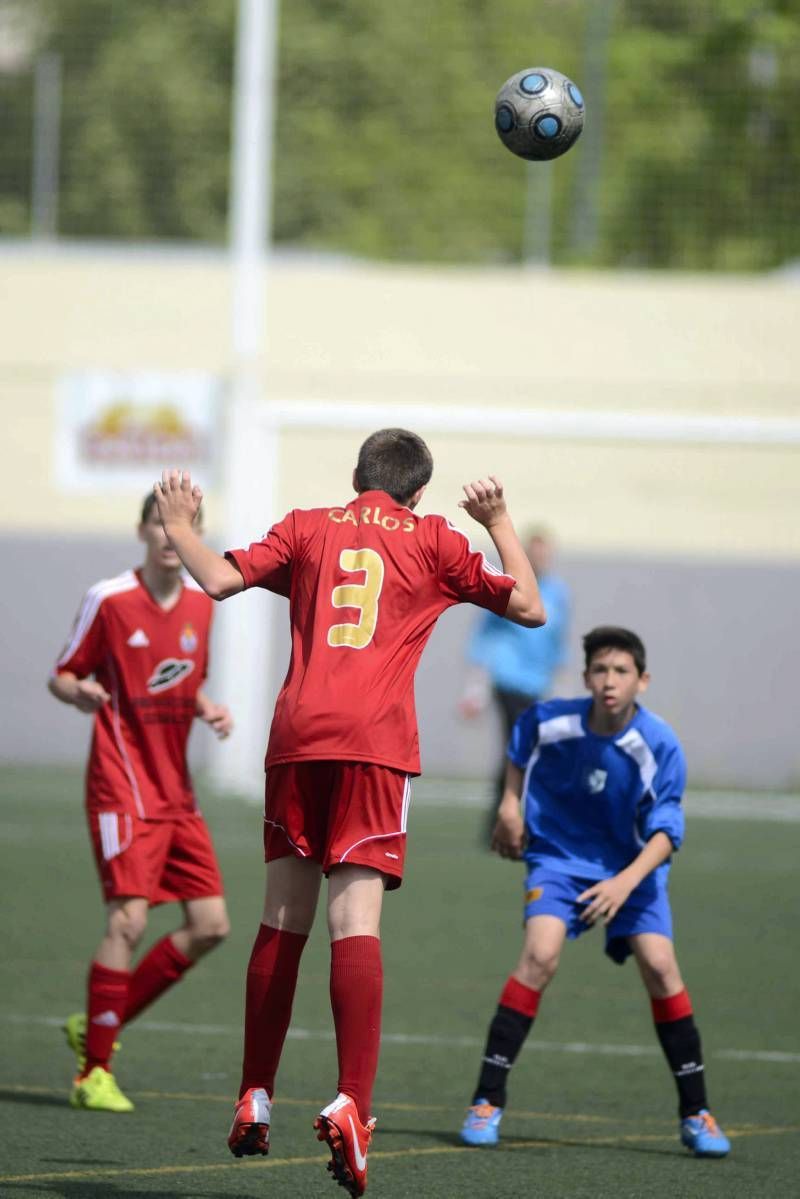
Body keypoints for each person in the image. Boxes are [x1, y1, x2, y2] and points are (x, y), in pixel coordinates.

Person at [153, 428, 545, 1197]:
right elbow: (527, 605)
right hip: (375, 745)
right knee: (353, 924)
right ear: (418, 492)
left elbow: (221, 581)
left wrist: (179, 527)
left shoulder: (308, 526)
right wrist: (498, 521)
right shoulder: (433, 539)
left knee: (280, 920)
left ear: (355, 477)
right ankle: (352, 1103)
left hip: (297, 738)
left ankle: (255, 1091)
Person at [459, 626, 730, 1159]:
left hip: (633, 869)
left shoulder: (658, 743)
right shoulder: (550, 719)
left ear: (642, 680)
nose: (610, 682)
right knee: (539, 955)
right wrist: (510, 809)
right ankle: (486, 1101)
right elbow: (519, 748)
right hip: (558, 861)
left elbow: (667, 833)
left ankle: (697, 1113)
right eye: (601, 671)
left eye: (622, 672)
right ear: (586, 677)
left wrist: (623, 884)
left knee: (660, 967)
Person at [48, 493, 233, 1113]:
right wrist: (78, 693)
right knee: (128, 920)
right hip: (121, 783)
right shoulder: (109, 598)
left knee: (211, 926)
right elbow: (63, 673)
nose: (167, 534)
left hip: (176, 792)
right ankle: (93, 1071)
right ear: (141, 529)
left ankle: (103, 1019)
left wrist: (204, 706)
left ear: (193, 533)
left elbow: (184, 675)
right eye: (157, 523)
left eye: (179, 525)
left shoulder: (203, 608)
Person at [459, 527, 570, 836]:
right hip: (508, 680)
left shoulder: (558, 593)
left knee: (522, 749)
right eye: (533, 552)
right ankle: (506, 821)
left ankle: (504, 820)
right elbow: (484, 637)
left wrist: (562, 686)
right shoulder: (510, 587)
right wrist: (475, 689)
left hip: (537, 683)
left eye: (543, 552)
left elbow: (558, 641)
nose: (539, 558)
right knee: (520, 746)